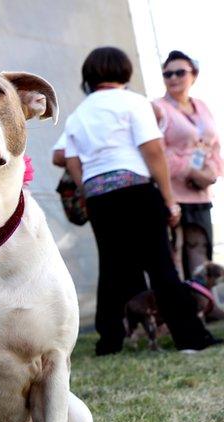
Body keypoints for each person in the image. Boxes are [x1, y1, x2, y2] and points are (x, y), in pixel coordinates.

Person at [63, 46, 220, 355]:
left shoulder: (79, 113)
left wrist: (89, 189)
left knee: (111, 270)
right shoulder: (133, 102)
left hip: (98, 196)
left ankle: (108, 341)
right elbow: (153, 151)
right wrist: (169, 199)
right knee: (161, 266)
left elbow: (70, 160)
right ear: (123, 71)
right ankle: (190, 338)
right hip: (136, 190)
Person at [152, 50, 223, 279]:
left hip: (201, 191)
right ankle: (188, 307)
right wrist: (189, 169)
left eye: (180, 72)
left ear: (194, 75)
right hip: (173, 193)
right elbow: (155, 151)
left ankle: (206, 301)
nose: (173, 78)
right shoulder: (158, 107)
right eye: (167, 74)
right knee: (179, 252)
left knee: (203, 247)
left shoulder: (201, 106)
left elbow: (213, 145)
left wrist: (210, 171)